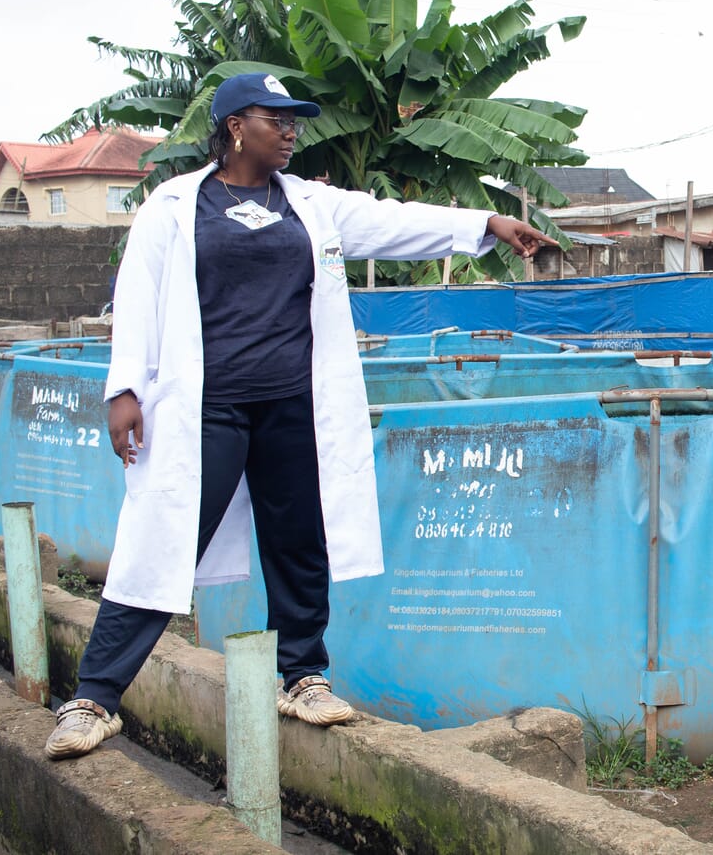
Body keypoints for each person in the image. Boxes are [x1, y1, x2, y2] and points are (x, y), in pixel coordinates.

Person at [45, 72, 554, 759]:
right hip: (210, 407)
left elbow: (391, 220)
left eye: (294, 122)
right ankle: (94, 697)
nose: (290, 132)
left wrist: (484, 224)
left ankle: (303, 675)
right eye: (275, 120)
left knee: (299, 541)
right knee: (163, 538)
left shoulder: (310, 204)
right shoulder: (175, 206)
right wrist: (124, 390)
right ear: (235, 127)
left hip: (293, 402)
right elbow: (137, 294)